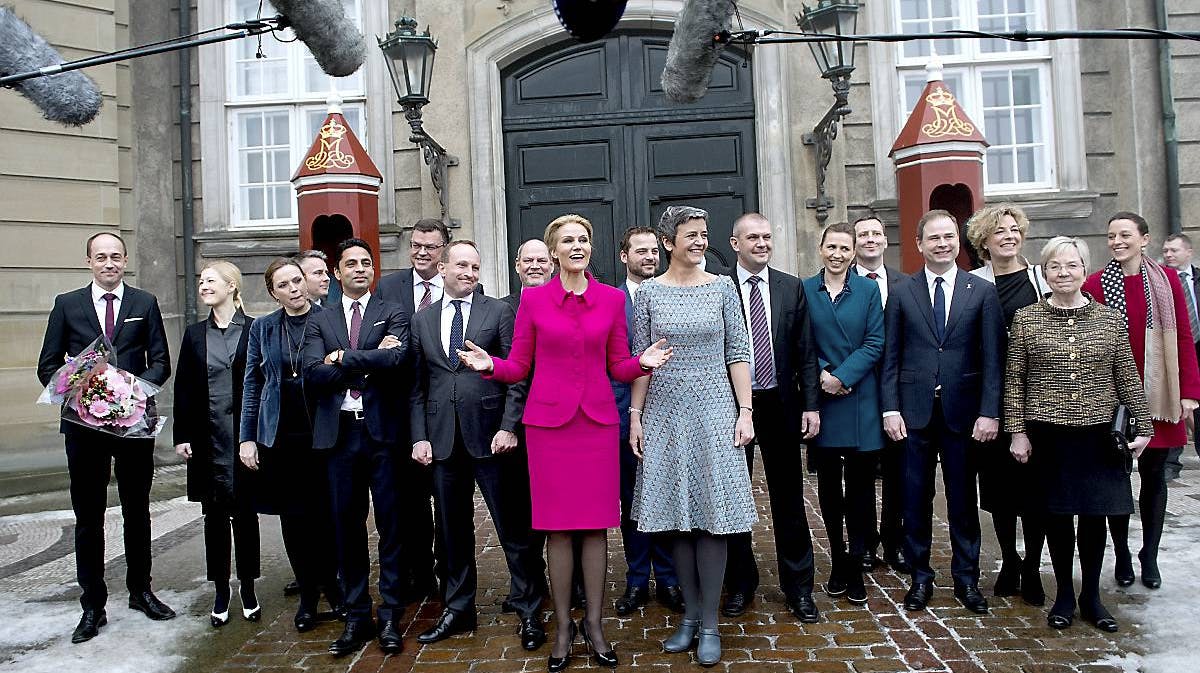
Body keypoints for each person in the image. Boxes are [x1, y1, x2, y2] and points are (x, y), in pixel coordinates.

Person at [459, 214, 670, 672]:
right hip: (549, 429)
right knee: (557, 529)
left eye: (584, 239)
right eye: (568, 241)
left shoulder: (612, 300)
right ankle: (561, 629)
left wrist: (644, 362)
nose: (577, 246)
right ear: (553, 252)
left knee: (595, 527)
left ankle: (594, 625)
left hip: (595, 425)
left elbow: (618, 366)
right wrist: (488, 365)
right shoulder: (533, 302)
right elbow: (518, 366)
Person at [628, 205, 757, 667]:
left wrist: (745, 411)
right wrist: (636, 416)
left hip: (715, 412)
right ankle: (686, 618)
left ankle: (709, 624)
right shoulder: (647, 295)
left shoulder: (722, 287)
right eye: (692, 235)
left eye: (705, 234)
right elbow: (641, 360)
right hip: (664, 412)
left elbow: (739, 351)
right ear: (668, 243)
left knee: (713, 517)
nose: (701, 241)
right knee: (675, 517)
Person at [1006, 236, 1153, 633]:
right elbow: (1014, 382)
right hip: (1049, 434)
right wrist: (1017, 433)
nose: (1063, 273)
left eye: (1071, 265)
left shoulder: (1109, 320)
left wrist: (1144, 425)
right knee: (1057, 517)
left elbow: (1126, 376)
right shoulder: (1027, 318)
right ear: (1045, 272)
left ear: (1084, 271)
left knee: (1095, 517)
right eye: (1055, 266)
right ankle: (1065, 596)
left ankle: (1091, 595)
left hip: (1098, 435)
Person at [36, 232, 174, 643]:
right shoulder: (67, 304)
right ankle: (92, 605)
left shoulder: (144, 303)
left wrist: (131, 391)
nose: (109, 263)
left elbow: (161, 362)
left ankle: (141, 591)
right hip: (84, 429)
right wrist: (84, 392)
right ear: (89, 262)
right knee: (89, 515)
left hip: (133, 426)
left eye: (115, 256)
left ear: (125, 260)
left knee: (137, 510)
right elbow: (48, 366)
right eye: (101, 257)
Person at [408, 241, 546, 651]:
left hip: (492, 439)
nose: (469, 272)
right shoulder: (423, 320)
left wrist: (509, 427)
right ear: (443, 267)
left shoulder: (499, 312)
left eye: (476, 266)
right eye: (462, 265)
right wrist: (419, 435)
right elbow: (417, 386)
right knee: (452, 533)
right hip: (443, 441)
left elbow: (516, 374)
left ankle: (528, 607)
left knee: (513, 529)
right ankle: (459, 608)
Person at [881, 209, 1004, 615]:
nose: (942, 244)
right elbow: (891, 357)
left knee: (962, 499)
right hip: (913, 413)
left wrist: (989, 412)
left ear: (959, 241)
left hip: (963, 413)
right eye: (933, 238)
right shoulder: (902, 291)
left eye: (949, 236)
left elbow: (992, 358)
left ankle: (967, 579)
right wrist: (891, 408)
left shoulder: (980, 292)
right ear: (919, 244)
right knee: (915, 499)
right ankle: (920, 577)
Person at [302, 238, 411, 656]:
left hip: (382, 434)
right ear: (337, 272)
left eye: (367, 263)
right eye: (351, 263)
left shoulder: (391, 312)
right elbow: (313, 374)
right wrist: (369, 357)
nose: (360, 269)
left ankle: (390, 616)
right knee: (346, 528)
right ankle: (356, 615)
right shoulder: (320, 319)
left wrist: (342, 358)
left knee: (391, 527)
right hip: (339, 436)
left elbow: (398, 362)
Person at [1081, 212, 1200, 590]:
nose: (1117, 241)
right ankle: (1121, 552)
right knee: (1116, 480)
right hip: (1112, 398)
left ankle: (1149, 553)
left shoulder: (1166, 283)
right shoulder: (1096, 283)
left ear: (1144, 239)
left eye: (1125, 235)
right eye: (1111, 235)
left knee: (1154, 478)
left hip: (1159, 396)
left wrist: (1189, 393)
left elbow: (1182, 336)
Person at [722, 212, 822, 623]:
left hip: (781, 405)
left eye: (767, 236)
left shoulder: (790, 286)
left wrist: (811, 405)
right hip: (732, 408)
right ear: (735, 243)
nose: (762, 243)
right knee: (734, 499)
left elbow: (806, 352)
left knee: (788, 498)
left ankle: (798, 588)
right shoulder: (719, 287)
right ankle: (741, 583)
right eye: (753, 237)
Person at [239, 258, 343, 633]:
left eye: (297, 280)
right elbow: (252, 383)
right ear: (273, 292)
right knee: (295, 519)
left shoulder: (330, 319)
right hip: (281, 436)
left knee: (328, 515)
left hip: (325, 431)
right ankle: (308, 595)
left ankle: (334, 587)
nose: (294, 289)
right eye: (283, 285)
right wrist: (247, 437)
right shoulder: (263, 329)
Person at [965, 203, 1048, 606]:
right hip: (989, 398)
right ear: (984, 240)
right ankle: (1010, 559)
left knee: (1031, 486)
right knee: (997, 489)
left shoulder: (1039, 280)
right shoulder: (973, 282)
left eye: (1014, 229)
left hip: (1034, 398)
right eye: (1000, 231)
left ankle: (1032, 564)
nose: (1009, 236)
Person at [173, 262, 259, 627]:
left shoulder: (255, 330)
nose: (203, 285)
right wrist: (182, 435)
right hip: (208, 442)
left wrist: (258, 436)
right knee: (213, 519)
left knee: (245, 515)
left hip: (244, 440)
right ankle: (221, 588)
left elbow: (263, 385)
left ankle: (249, 586)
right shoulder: (194, 335)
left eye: (210, 280)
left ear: (231, 286)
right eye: (200, 280)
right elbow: (184, 389)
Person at [803, 222, 884, 606]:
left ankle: (856, 562)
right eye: (831, 246)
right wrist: (823, 375)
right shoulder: (805, 290)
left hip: (860, 399)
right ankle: (838, 558)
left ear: (854, 253)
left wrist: (843, 376)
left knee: (862, 492)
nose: (837, 254)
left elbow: (875, 342)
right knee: (831, 492)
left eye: (844, 248)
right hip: (823, 400)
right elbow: (800, 341)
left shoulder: (868, 290)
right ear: (820, 248)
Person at [374, 218, 451, 602]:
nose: (421, 252)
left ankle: (447, 569)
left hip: (445, 411)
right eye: (416, 245)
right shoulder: (388, 287)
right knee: (410, 500)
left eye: (430, 246)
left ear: (444, 252)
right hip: (402, 410)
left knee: (447, 497)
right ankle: (418, 573)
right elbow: (377, 339)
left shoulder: (460, 285)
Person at [501, 238, 579, 611]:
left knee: (569, 509)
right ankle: (529, 590)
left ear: (552, 264)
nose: (534, 265)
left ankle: (575, 584)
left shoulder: (568, 303)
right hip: (518, 428)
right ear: (516, 266)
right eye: (526, 260)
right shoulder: (501, 309)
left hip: (564, 424)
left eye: (541, 260)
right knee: (522, 515)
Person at [611, 227, 683, 616]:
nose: (649, 257)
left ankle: (669, 577)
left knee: (666, 495)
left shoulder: (676, 293)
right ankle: (637, 579)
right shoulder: (611, 301)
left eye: (654, 250)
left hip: (671, 411)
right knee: (632, 500)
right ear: (624, 256)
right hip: (625, 413)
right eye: (640, 251)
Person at [852, 214, 911, 575]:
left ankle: (895, 540)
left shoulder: (905, 284)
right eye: (863, 234)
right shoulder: (842, 283)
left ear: (885, 240)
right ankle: (864, 542)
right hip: (857, 390)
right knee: (859, 472)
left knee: (897, 469)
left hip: (898, 393)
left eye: (876, 233)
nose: (870, 239)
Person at [1160, 232, 1200, 474]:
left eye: (1174, 250)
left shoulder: (1197, 279)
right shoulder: (1161, 280)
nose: (1168, 255)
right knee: (1174, 405)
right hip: (1175, 348)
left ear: (1188, 252)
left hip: (1198, 346)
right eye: (1165, 251)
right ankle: (1170, 462)